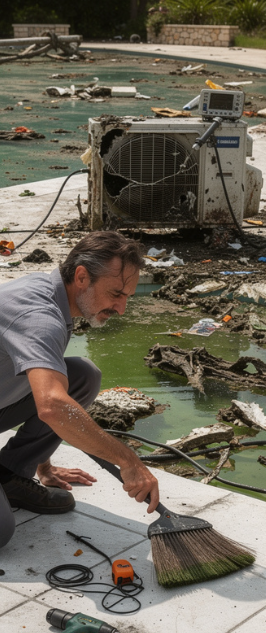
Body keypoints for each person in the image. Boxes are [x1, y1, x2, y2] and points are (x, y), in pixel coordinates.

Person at [0, 231, 160, 548]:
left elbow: (47, 385)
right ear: (82, 277)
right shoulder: (39, 316)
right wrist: (128, 460)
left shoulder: (54, 297)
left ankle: (9, 474)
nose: (121, 308)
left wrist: (42, 463)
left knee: (81, 375)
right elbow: (52, 406)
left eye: (127, 296)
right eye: (116, 294)